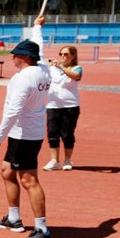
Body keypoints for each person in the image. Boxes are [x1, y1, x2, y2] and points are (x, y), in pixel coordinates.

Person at [0, 36, 54, 238]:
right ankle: (14, 218)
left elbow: (13, 110)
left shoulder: (23, 78)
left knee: (29, 180)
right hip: (28, 132)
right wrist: (37, 27)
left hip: (24, 135)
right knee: (7, 171)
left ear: (25, 57)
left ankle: (42, 230)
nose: (13, 58)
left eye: (16, 55)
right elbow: (39, 47)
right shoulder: (43, 70)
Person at [37, 16, 83, 172]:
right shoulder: (52, 68)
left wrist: (60, 67)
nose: (63, 56)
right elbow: (40, 63)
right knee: (52, 133)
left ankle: (68, 160)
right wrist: (49, 64)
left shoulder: (76, 68)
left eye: (66, 54)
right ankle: (54, 160)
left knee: (67, 134)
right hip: (53, 105)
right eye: (61, 54)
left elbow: (75, 76)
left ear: (73, 56)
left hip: (70, 106)